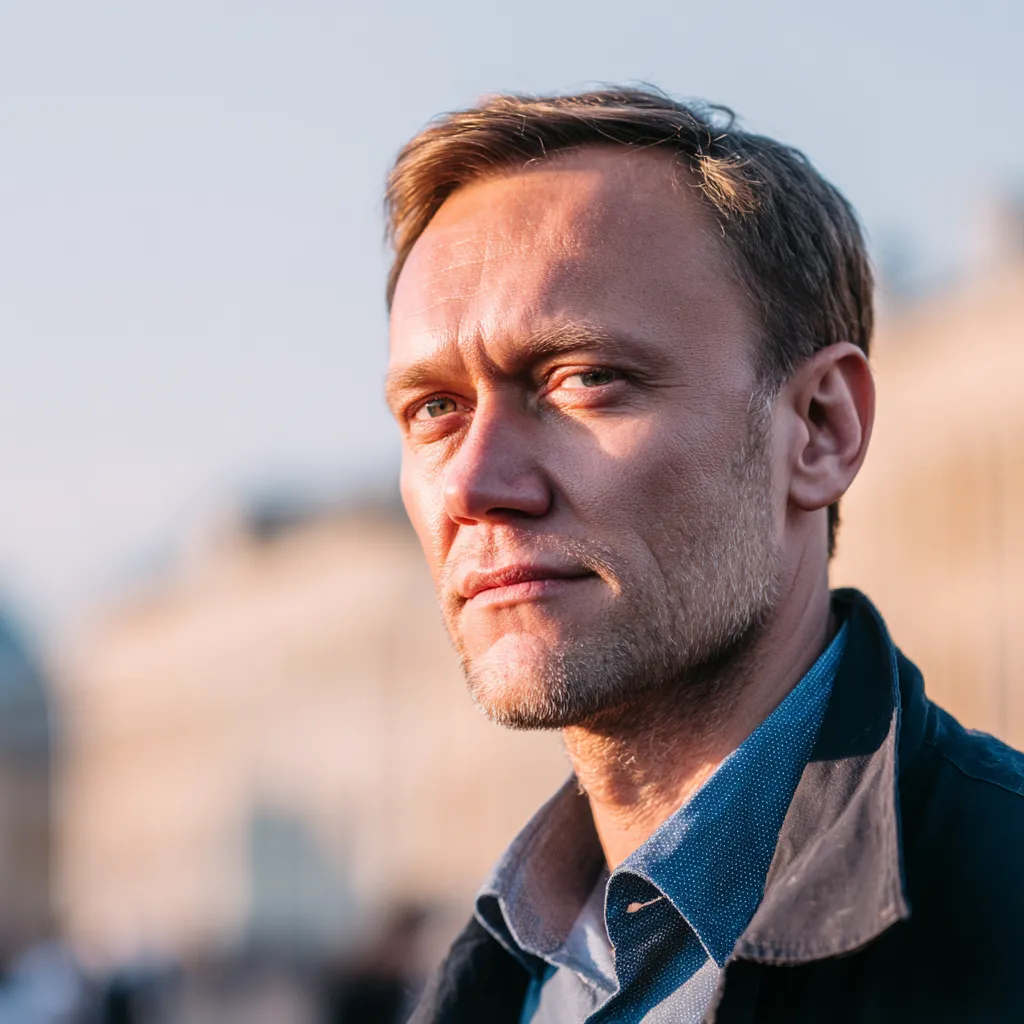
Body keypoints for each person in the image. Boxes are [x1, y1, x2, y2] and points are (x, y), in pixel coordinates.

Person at [382, 88, 1024, 1022]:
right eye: (434, 409)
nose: (474, 483)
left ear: (819, 429)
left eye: (584, 379)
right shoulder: (509, 981)